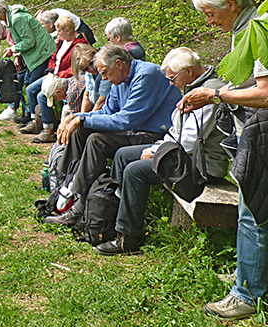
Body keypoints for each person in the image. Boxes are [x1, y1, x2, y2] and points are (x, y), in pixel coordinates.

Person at [179, 0, 268, 320]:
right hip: (251, 131)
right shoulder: (243, 29)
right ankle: (249, 274)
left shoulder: (258, 31)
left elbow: (264, 92)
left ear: (231, 4)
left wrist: (214, 94)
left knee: (253, 213)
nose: (209, 21)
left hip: (261, 135)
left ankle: (246, 294)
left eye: (210, 13)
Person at [96, 47, 228, 255]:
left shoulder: (207, 94)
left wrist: (157, 151)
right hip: (184, 156)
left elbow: (189, 141)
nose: (170, 83)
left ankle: (128, 237)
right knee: (123, 154)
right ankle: (115, 218)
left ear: (189, 71)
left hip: (201, 166)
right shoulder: (193, 86)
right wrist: (155, 148)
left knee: (134, 171)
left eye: (173, 78)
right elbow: (177, 131)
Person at [45, 44, 180, 227]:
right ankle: (63, 186)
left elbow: (127, 120)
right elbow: (108, 111)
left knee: (96, 140)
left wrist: (83, 120)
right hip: (135, 130)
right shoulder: (119, 79)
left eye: (106, 72)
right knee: (79, 131)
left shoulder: (146, 75)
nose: (104, 78)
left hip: (155, 135)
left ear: (119, 64)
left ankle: (79, 207)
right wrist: (76, 117)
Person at [20, 15, 87, 143]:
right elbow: (54, 57)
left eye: (60, 31)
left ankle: (48, 129)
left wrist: (59, 75)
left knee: (42, 96)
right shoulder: (61, 41)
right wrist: (50, 70)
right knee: (30, 89)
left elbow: (78, 66)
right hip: (54, 74)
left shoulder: (80, 45)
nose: (58, 33)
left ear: (68, 30)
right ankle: (35, 121)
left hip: (67, 77)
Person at [0, 0, 54, 123]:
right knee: (27, 82)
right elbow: (19, 40)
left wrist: (13, 50)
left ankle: (37, 120)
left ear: (2, 10)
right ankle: (30, 116)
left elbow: (29, 41)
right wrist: (17, 54)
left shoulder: (17, 18)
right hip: (33, 56)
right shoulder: (9, 20)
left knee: (32, 87)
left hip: (42, 54)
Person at [71, 44, 109, 113]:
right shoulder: (88, 74)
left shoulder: (106, 71)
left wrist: (86, 118)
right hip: (96, 108)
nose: (92, 69)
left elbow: (101, 101)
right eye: (86, 68)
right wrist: (82, 115)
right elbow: (87, 95)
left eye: (92, 63)